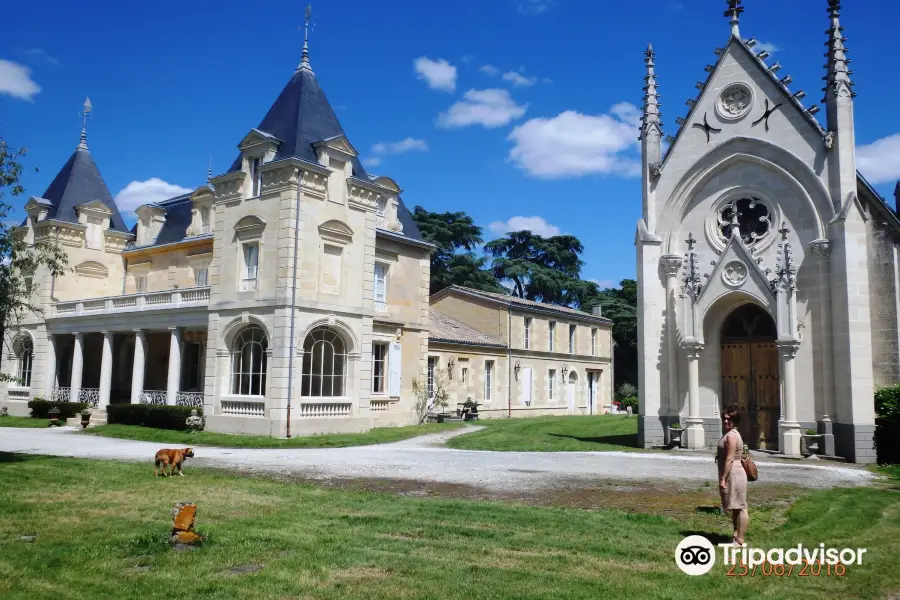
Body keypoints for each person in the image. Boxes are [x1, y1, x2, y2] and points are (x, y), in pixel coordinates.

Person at [717, 406, 748, 545]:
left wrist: (723, 478)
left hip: (733, 473)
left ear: (734, 420)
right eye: (723, 418)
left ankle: (740, 540)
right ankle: (735, 536)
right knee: (735, 506)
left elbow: (729, 458)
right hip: (732, 472)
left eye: (728, 419)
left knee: (740, 506)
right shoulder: (732, 433)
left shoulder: (731, 435)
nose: (725, 421)